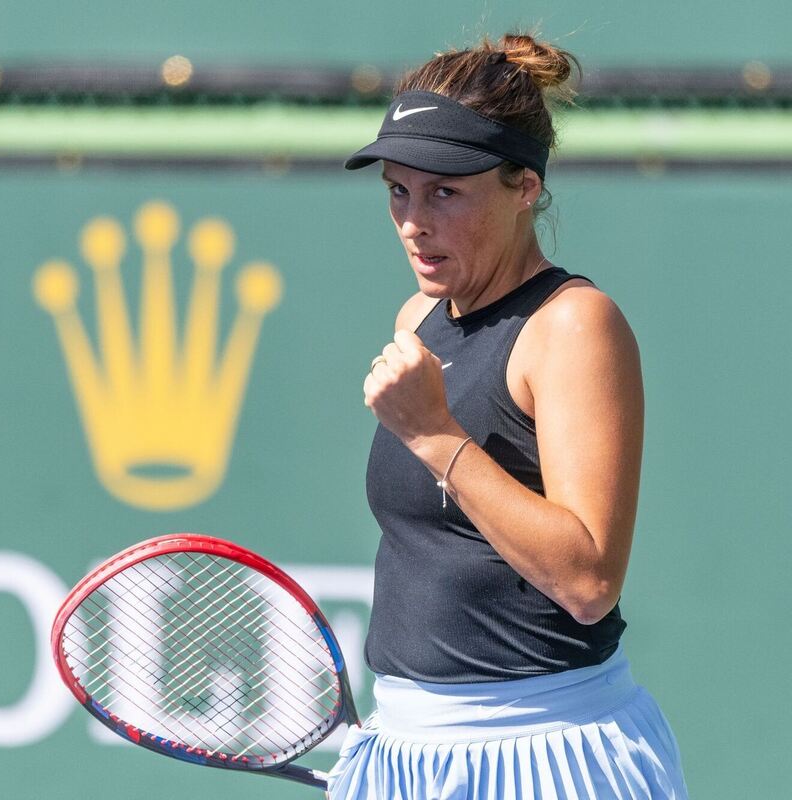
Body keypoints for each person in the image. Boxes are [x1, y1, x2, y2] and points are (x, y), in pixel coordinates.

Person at [328, 32, 690, 799]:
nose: (413, 221)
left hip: (548, 755)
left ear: (524, 186)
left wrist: (435, 436)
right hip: (404, 755)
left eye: (445, 194)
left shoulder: (574, 326)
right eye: (398, 191)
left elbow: (589, 580)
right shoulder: (417, 318)